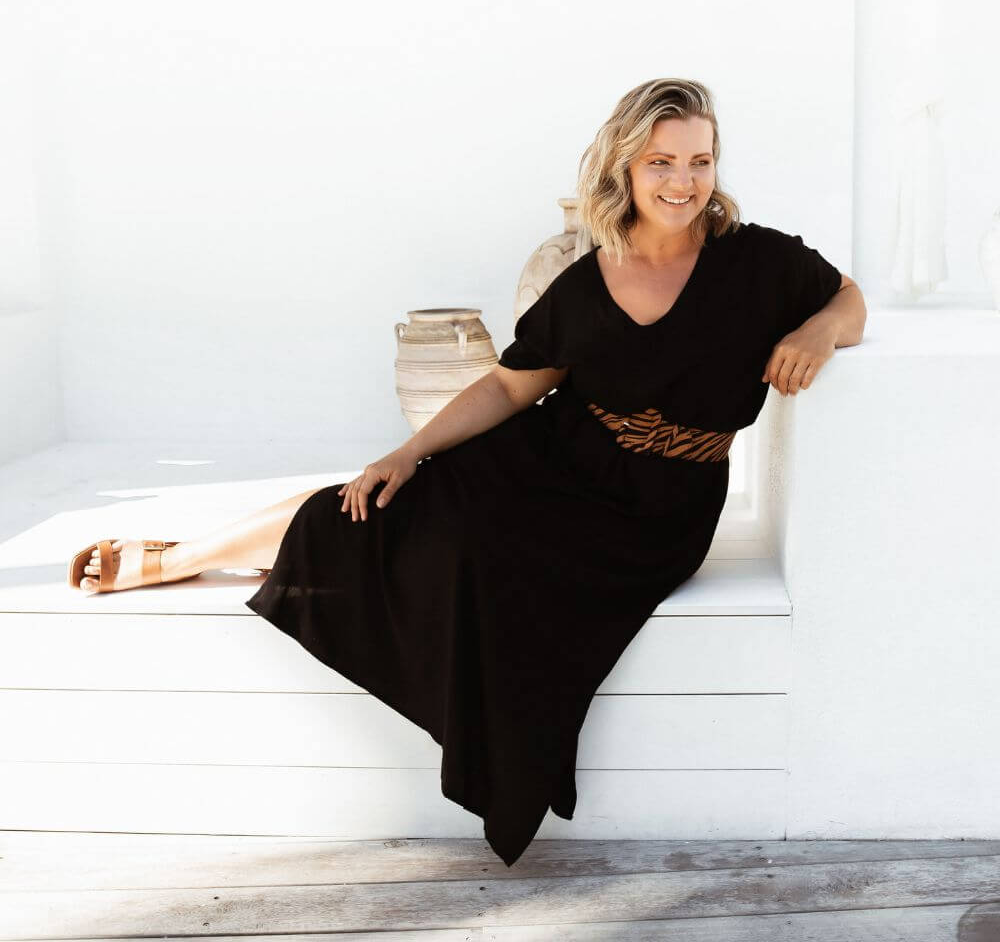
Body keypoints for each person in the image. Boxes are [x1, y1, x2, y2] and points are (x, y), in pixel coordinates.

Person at [67, 78, 867, 866]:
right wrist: (406, 450)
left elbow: (849, 298)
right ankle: (175, 557)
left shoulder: (760, 261)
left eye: (700, 161)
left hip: (659, 511)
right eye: (662, 162)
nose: (684, 182)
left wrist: (823, 332)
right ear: (624, 165)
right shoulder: (583, 284)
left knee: (492, 563)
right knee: (385, 498)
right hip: (553, 459)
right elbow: (511, 385)